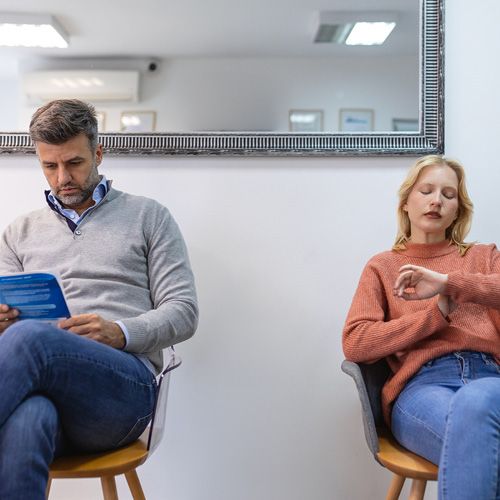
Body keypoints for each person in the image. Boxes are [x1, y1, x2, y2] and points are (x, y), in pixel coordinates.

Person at [0, 99, 198, 499]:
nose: (62, 178)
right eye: (49, 166)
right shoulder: (19, 231)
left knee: (30, 340)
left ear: (98, 153)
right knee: (28, 418)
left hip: (122, 391)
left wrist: (119, 332)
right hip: (38, 389)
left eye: (73, 163)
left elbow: (184, 312)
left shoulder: (149, 217)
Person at [342, 155, 499, 499]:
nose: (436, 201)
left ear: (458, 209)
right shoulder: (382, 267)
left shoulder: (484, 256)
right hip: (422, 387)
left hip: (491, 379)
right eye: (426, 191)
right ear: (406, 203)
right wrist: (435, 315)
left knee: (479, 402)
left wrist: (449, 284)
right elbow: (356, 342)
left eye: (448, 194)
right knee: (479, 428)